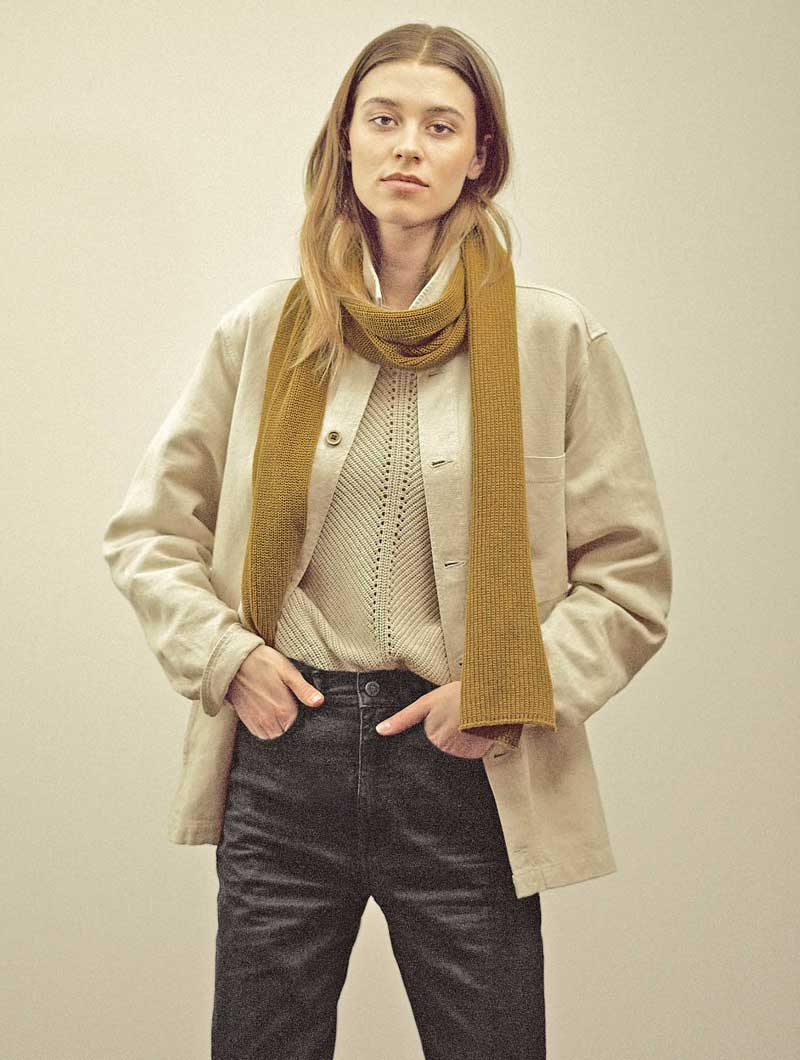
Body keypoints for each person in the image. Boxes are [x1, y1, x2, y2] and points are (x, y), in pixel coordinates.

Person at [102, 22, 672, 1060]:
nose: (408, 145)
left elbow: (629, 578)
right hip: (287, 755)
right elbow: (148, 532)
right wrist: (228, 658)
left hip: (463, 767)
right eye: (384, 119)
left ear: (479, 156)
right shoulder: (264, 332)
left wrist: (505, 690)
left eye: (439, 125)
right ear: (348, 141)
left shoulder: (552, 339)